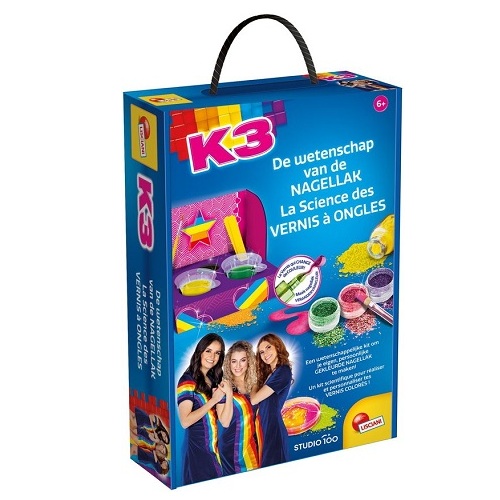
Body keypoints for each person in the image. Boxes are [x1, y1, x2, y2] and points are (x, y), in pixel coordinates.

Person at [177, 333, 233, 485]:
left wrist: (229, 394)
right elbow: (185, 421)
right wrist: (213, 400)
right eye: (208, 351)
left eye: (217, 353)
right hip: (196, 451)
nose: (212, 357)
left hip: (213, 449)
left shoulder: (214, 379)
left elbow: (225, 421)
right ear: (200, 351)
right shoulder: (187, 381)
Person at [251, 333, 293, 468]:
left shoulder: (283, 371)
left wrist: (254, 382)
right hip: (264, 427)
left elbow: (254, 399)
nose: (265, 354)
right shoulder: (270, 374)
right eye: (261, 352)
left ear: (277, 346)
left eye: (268, 347)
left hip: (273, 429)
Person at [219, 340, 260, 475]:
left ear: (249, 362)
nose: (237, 366)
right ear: (228, 363)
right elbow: (224, 421)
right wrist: (229, 393)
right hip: (231, 447)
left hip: (252, 443)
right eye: (233, 361)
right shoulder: (223, 386)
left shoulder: (255, 384)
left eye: (242, 360)